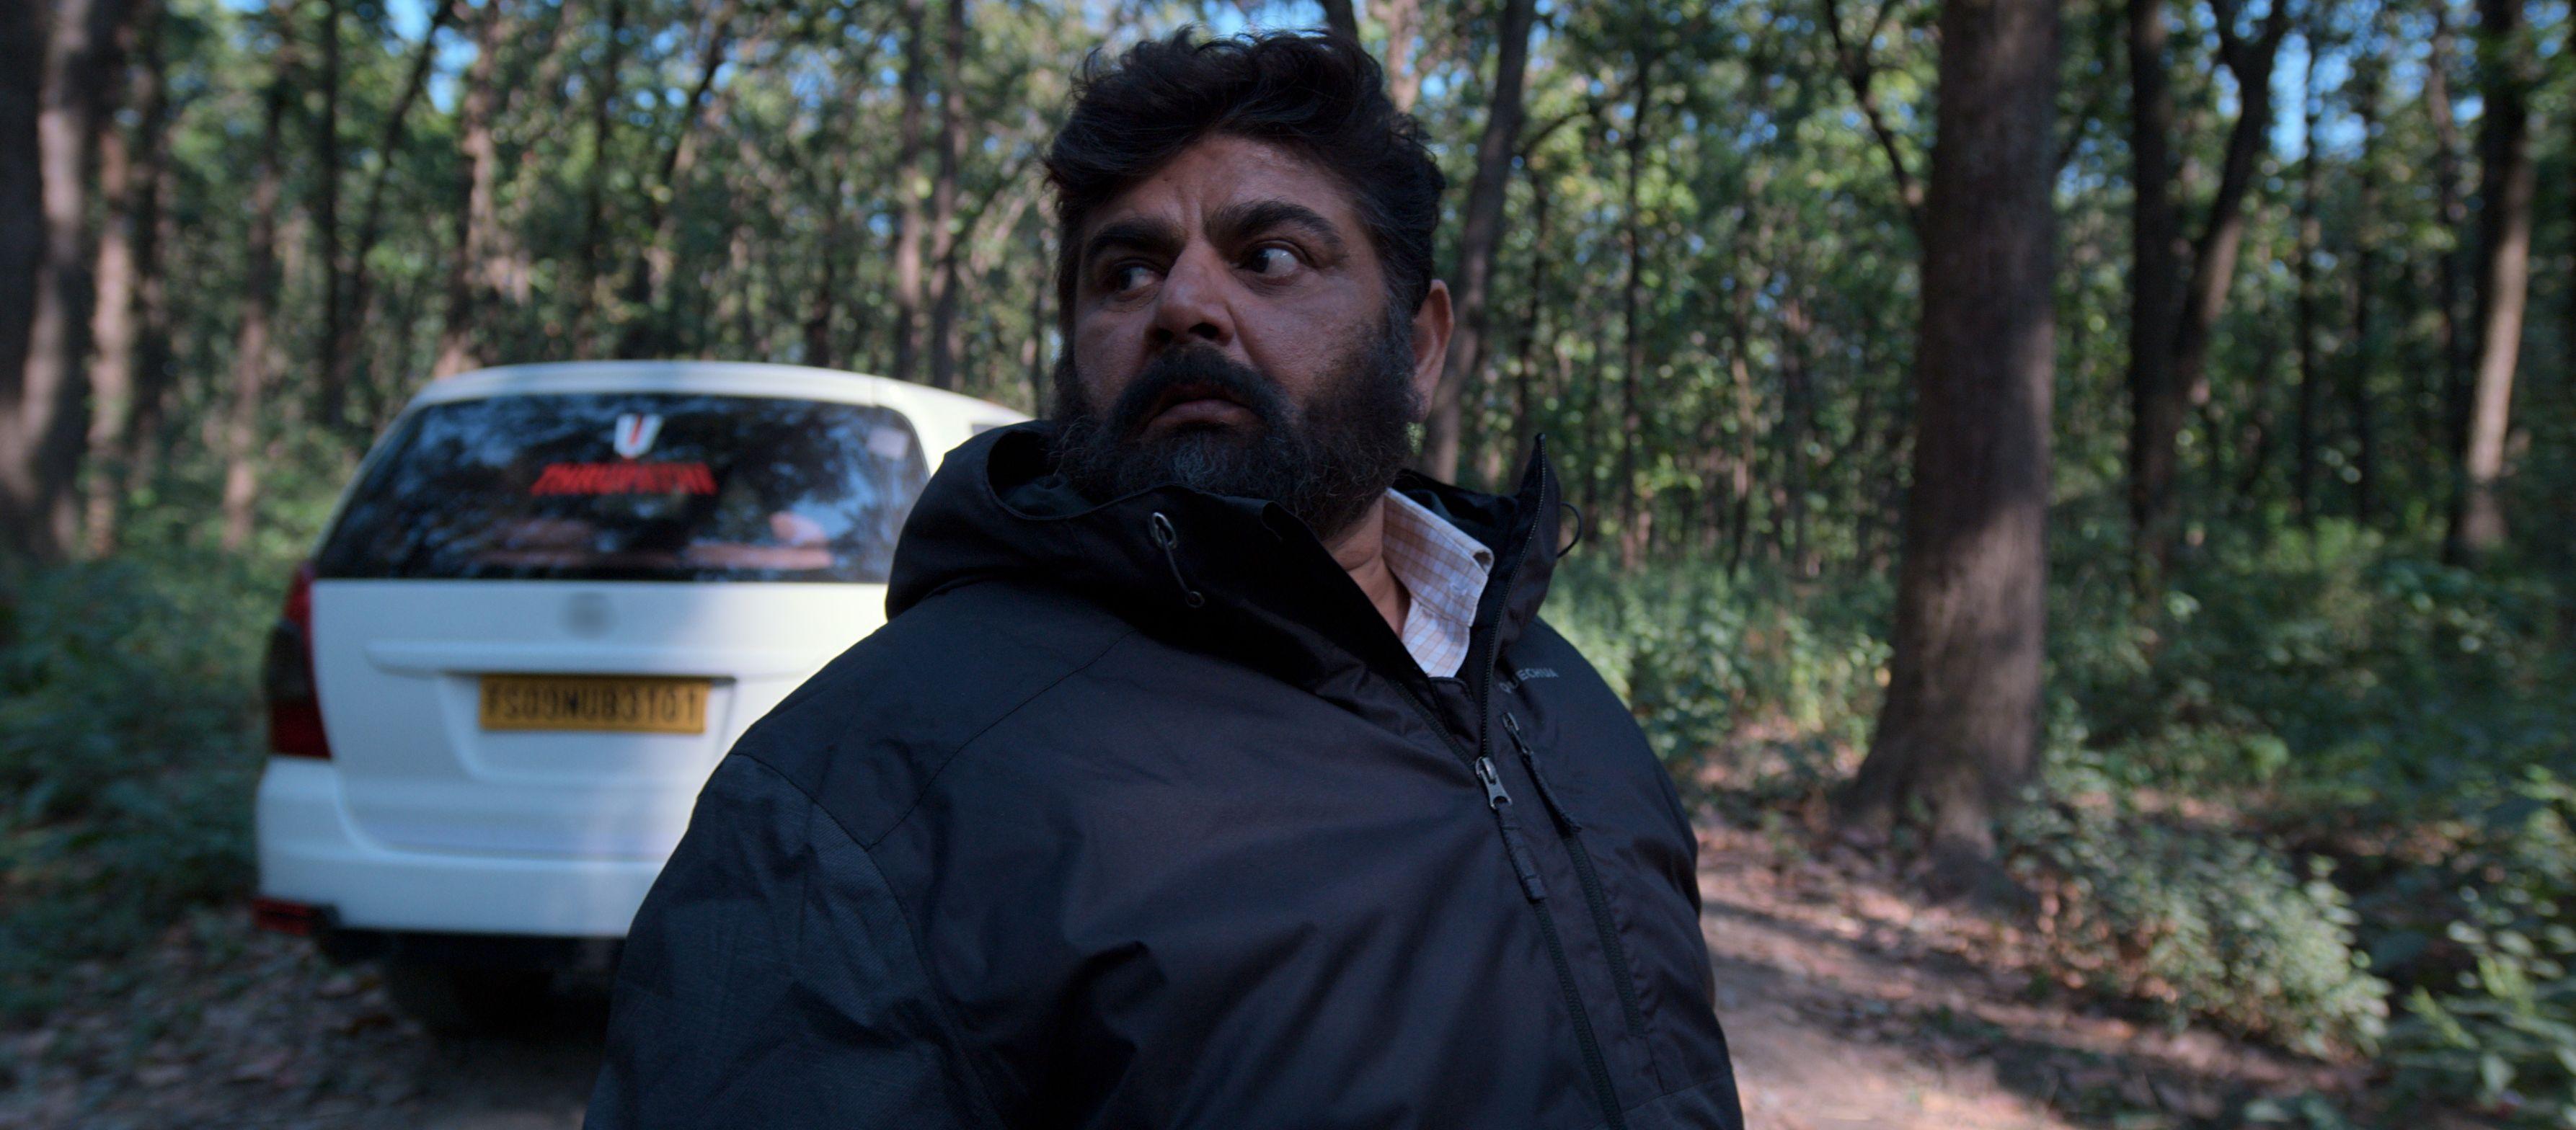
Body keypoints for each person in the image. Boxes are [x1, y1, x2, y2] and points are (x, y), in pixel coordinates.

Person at [587, 29, 1741, 1130]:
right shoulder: (867, 793)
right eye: (1127, 271)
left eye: (1270, 257)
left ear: (1420, 344)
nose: (1183, 305)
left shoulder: (1555, 699)